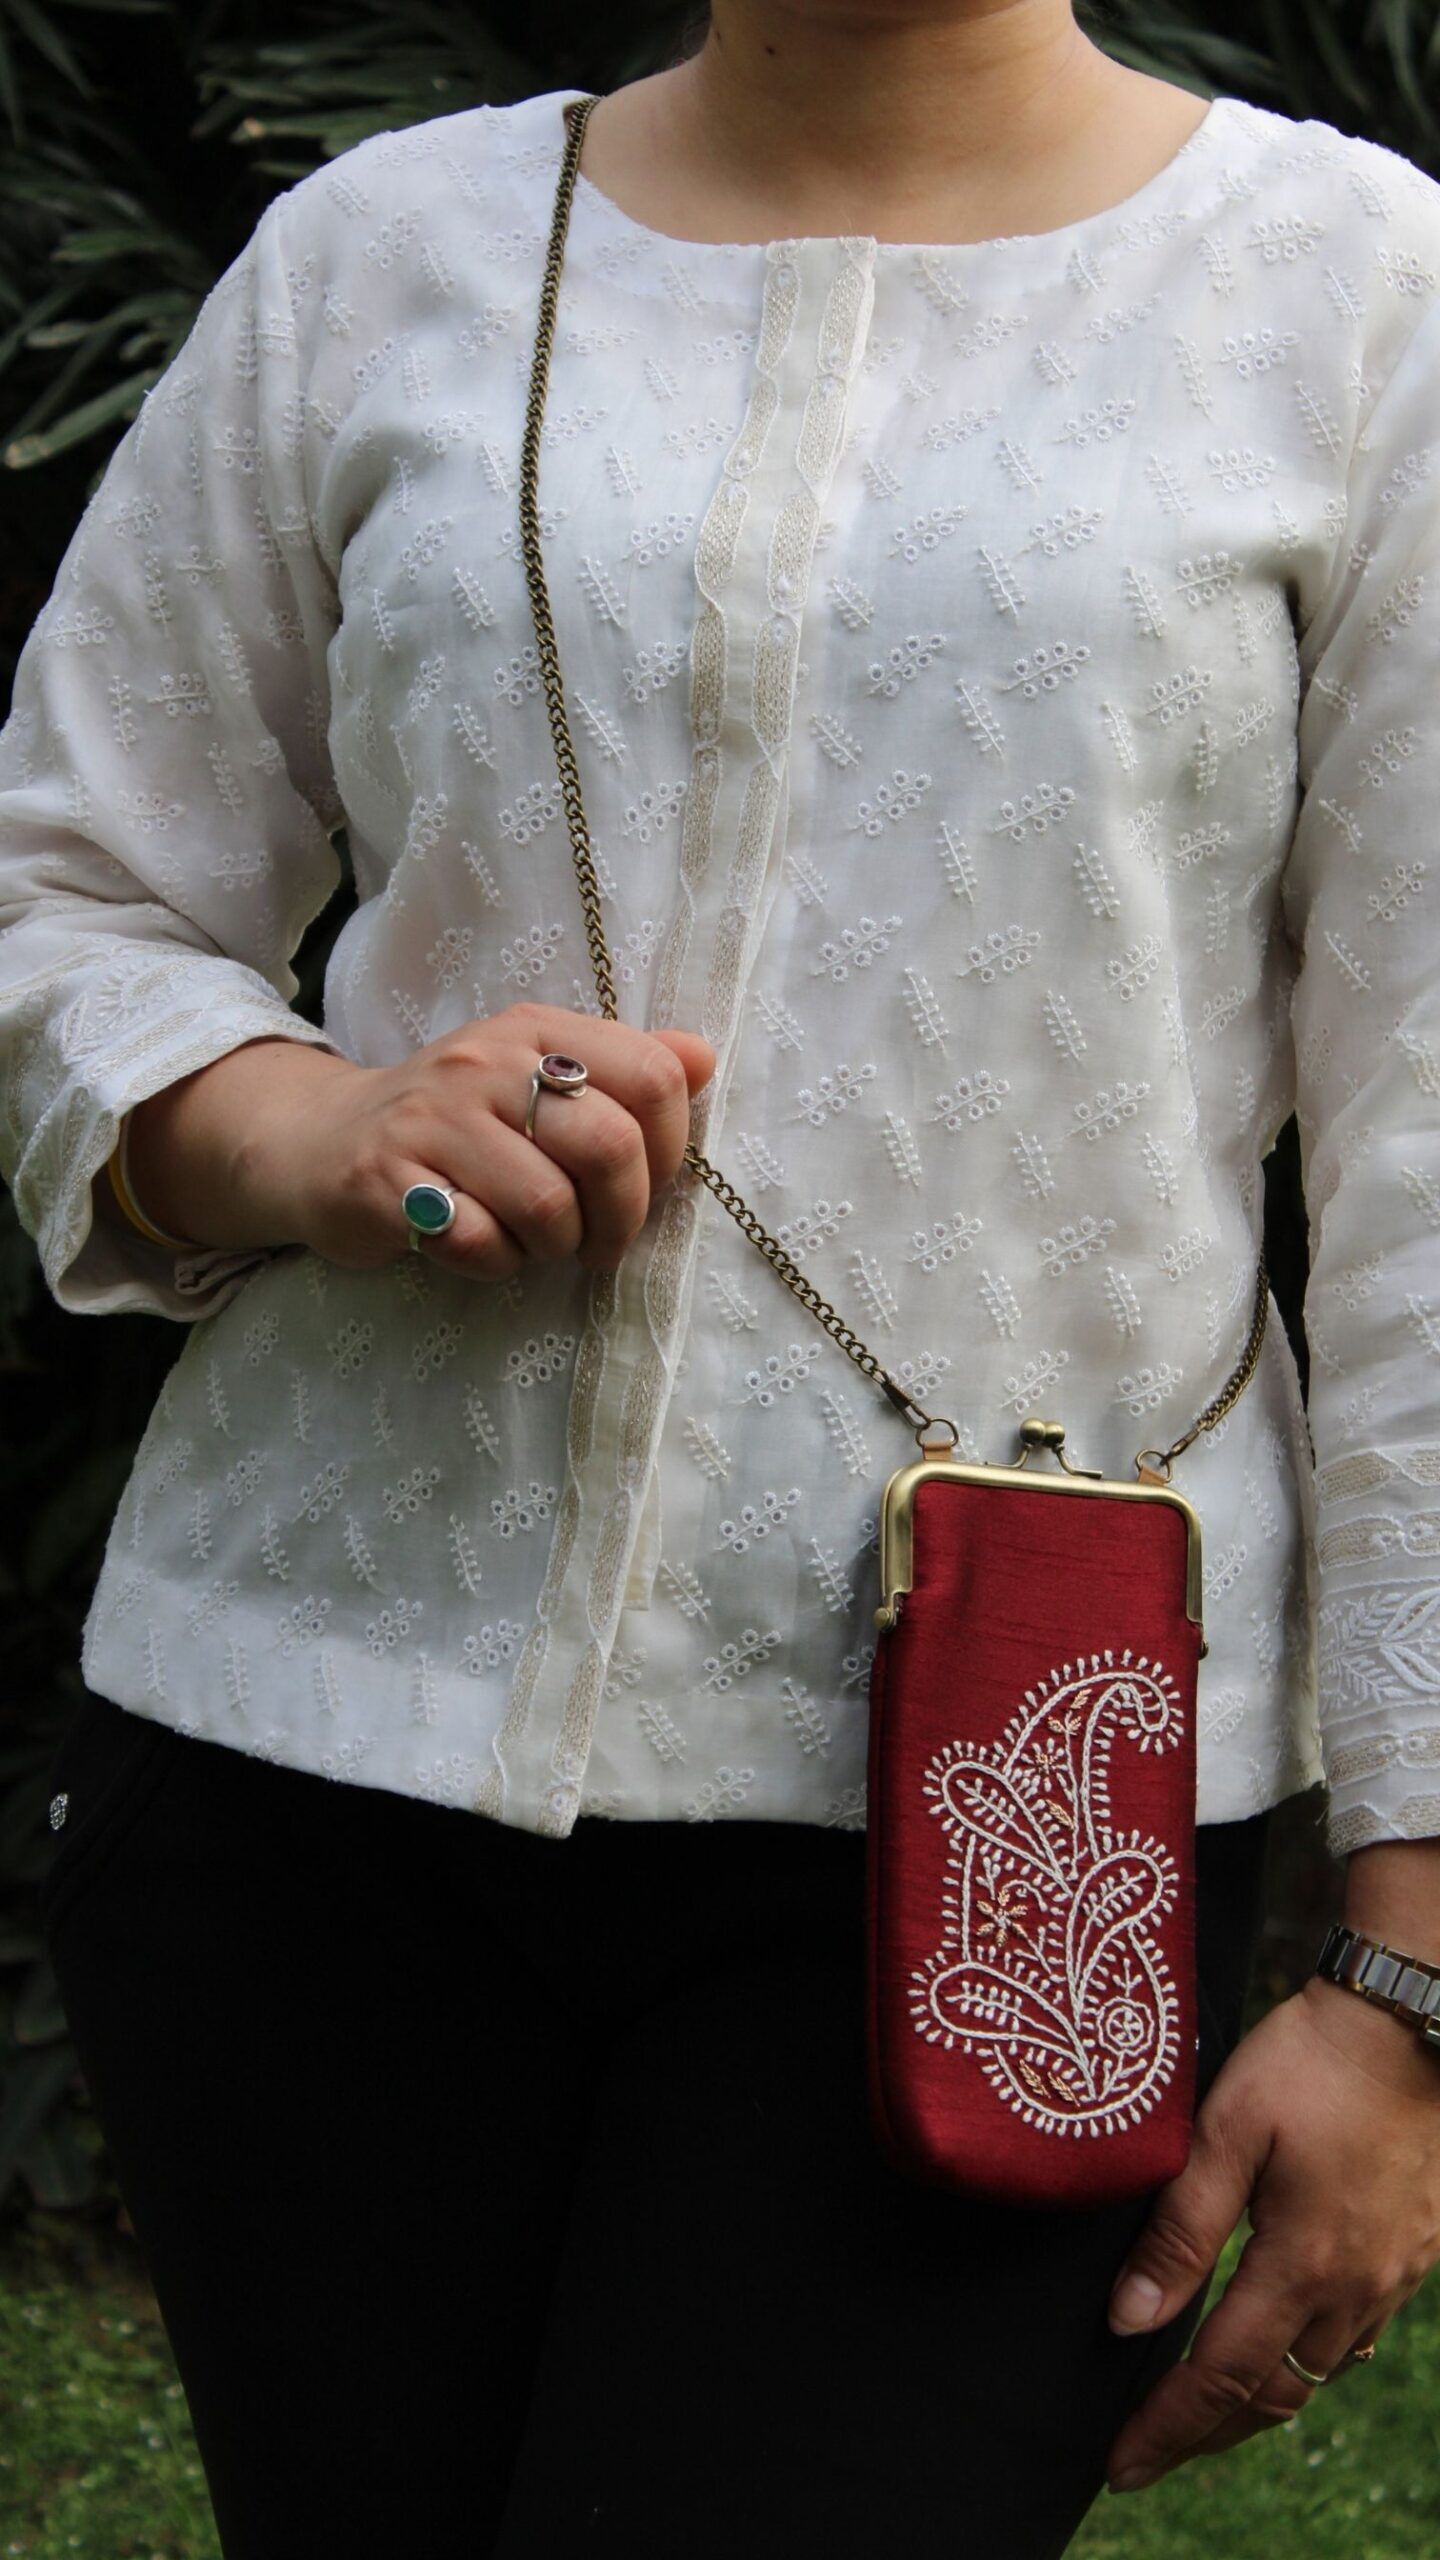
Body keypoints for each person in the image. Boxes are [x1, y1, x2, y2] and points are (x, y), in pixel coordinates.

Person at [4, 4, 1440, 2552]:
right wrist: (314, 1125)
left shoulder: (1359, 299)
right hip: (300, 1743)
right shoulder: (382, 255)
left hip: (1010, 1821)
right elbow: (77, 884)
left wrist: (1412, 1970)